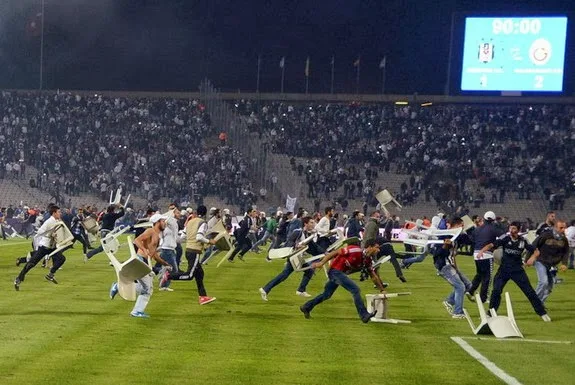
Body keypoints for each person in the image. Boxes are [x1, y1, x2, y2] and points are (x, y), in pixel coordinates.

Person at [299, 239, 385, 323]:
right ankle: (364, 315)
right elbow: (334, 253)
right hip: (335, 271)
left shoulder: (367, 261)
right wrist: (321, 263)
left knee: (326, 295)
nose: (378, 250)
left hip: (340, 274)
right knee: (355, 289)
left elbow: (373, 276)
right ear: (369, 247)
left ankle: (306, 307)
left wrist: (382, 289)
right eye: (377, 247)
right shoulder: (354, 249)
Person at [477, 222, 550, 321]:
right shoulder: (505, 238)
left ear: (518, 230)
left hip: (517, 271)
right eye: (510, 228)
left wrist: (532, 258)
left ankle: (542, 313)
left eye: (514, 228)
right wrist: (482, 251)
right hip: (503, 270)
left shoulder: (523, 241)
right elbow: (491, 245)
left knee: (529, 292)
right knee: (496, 290)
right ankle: (491, 313)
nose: (511, 230)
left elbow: (537, 251)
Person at [110, 213, 172, 318]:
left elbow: (154, 254)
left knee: (146, 288)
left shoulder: (156, 235)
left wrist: (165, 264)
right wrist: (144, 250)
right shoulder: (150, 231)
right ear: (157, 222)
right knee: (148, 289)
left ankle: (118, 287)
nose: (165, 223)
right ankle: (136, 311)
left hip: (144, 261)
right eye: (162, 221)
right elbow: (137, 240)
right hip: (141, 260)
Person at [160, 205, 216, 305]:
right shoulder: (203, 223)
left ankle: (203, 297)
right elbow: (199, 237)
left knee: (200, 274)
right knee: (189, 275)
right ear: (205, 213)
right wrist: (209, 241)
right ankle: (169, 276)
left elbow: (182, 237)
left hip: (188, 250)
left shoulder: (190, 221)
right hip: (195, 251)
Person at [259, 216, 324, 300]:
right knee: (284, 276)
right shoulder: (298, 232)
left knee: (309, 271)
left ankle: (301, 290)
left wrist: (324, 252)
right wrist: (296, 245)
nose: (313, 224)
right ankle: (265, 289)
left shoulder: (307, 234)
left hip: (298, 257)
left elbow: (314, 247)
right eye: (311, 222)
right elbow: (289, 242)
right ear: (305, 224)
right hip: (293, 257)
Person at [14, 205, 68, 290]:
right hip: (45, 246)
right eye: (59, 212)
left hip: (52, 246)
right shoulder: (49, 222)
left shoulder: (58, 221)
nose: (60, 213)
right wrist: (50, 234)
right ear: (54, 213)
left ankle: (50, 275)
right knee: (32, 263)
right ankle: (19, 278)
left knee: (62, 259)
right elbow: (40, 232)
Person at [433, 218, 471, 319]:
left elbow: (471, 240)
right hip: (444, 265)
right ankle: (457, 312)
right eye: (461, 225)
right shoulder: (445, 235)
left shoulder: (458, 236)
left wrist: (471, 228)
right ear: (455, 226)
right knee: (460, 286)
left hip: (452, 264)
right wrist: (445, 246)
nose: (462, 227)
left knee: (468, 285)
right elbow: (437, 254)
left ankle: (449, 301)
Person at [526, 220, 569, 305]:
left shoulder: (564, 239)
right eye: (561, 227)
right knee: (543, 282)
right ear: (555, 228)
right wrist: (527, 259)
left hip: (552, 264)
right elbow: (534, 245)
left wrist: (564, 263)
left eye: (564, 227)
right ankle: (535, 301)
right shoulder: (546, 235)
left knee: (549, 287)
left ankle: (540, 303)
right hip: (541, 261)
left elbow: (566, 252)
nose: (563, 229)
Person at [467, 211, 504, 303]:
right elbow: (504, 236)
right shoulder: (493, 228)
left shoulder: (477, 229)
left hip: (476, 254)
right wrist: (495, 244)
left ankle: (471, 290)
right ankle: (484, 297)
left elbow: (472, 239)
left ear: (484, 218)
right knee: (487, 277)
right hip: (487, 254)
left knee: (479, 274)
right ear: (493, 220)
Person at [362, 210, 406, 283]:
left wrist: (387, 217)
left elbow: (381, 223)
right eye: (377, 216)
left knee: (372, 263)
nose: (379, 218)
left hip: (377, 245)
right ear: (372, 216)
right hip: (376, 245)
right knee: (390, 259)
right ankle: (399, 274)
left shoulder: (371, 223)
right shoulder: (372, 224)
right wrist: (371, 246)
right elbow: (369, 237)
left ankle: (369, 277)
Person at [156, 204, 182, 292]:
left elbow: (175, 238)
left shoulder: (173, 223)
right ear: (173, 213)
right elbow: (167, 220)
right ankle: (158, 276)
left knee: (166, 268)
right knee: (174, 270)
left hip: (169, 249)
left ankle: (163, 285)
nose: (180, 214)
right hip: (167, 250)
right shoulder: (170, 221)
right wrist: (171, 212)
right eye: (178, 213)